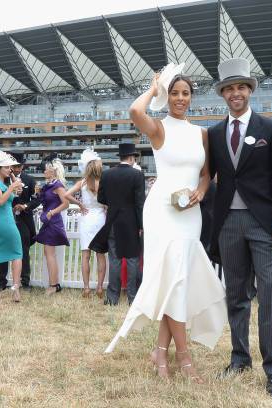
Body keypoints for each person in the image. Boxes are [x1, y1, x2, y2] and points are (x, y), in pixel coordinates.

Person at [104, 66, 227, 385]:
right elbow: (134, 109)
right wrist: (153, 87)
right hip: (162, 211)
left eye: (185, 93)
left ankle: (160, 351)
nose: (180, 98)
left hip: (190, 213)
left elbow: (206, 172)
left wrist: (202, 190)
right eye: (174, 93)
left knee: (179, 282)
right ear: (167, 96)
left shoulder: (202, 134)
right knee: (175, 279)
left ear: (192, 97)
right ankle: (184, 358)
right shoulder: (158, 128)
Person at [208, 58, 272, 396]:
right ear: (223, 94)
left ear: (249, 90)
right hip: (228, 223)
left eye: (240, 87)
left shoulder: (270, 128)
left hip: (264, 225)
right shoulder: (215, 134)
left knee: (270, 293)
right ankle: (239, 357)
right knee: (236, 295)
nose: (235, 93)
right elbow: (208, 177)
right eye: (229, 88)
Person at [90, 144, 144, 306]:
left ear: (120, 157)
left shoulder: (107, 174)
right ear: (132, 158)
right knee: (133, 259)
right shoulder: (137, 175)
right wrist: (141, 225)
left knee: (115, 259)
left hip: (112, 221)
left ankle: (112, 298)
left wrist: (113, 204)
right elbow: (140, 203)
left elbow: (101, 199)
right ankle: (133, 298)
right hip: (131, 223)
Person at [65, 148, 106, 298]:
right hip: (100, 217)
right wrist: (105, 208)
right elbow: (106, 202)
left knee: (85, 255)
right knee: (100, 255)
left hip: (86, 217)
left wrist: (80, 205)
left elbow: (67, 194)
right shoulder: (102, 182)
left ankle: (86, 288)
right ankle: (100, 287)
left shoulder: (82, 182)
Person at [0, 151, 40, 291]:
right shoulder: (2, 180)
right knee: (3, 247)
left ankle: (25, 281)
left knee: (23, 250)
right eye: (14, 166)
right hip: (5, 217)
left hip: (23, 219)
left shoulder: (29, 180)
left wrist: (25, 206)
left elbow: (37, 199)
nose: (16, 169)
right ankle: (2, 281)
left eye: (19, 166)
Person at [0, 151, 24, 302]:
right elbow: (0, 201)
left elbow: (15, 194)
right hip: (6, 223)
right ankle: (15, 291)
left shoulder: (1, 183)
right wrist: (12, 187)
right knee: (17, 254)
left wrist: (15, 187)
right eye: (7, 167)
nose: (10, 169)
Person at [35, 154, 69, 295]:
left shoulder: (58, 186)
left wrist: (53, 212)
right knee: (49, 254)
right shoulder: (48, 185)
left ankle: (54, 285)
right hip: (48, 221)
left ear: (53, 171)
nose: (43, 171)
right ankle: (54, 284)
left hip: (53, 222)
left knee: (50, 254)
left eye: (46, 169)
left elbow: (66, 203)